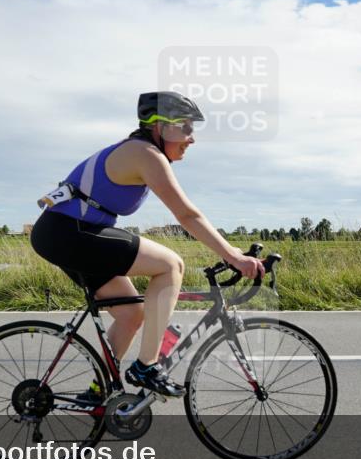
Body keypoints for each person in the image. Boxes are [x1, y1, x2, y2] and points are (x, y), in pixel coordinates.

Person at [31, 91, 264, 399]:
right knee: (170, 265)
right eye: (186, 128)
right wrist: (232, 255)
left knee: (132, 315)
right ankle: (146, 367)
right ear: (160, 126)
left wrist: (231, 253)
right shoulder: (145, 154)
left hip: (65, 233)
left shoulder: (144, 154)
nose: (191, 138)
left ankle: (99, 394)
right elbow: (186, 214)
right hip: (69, 231)